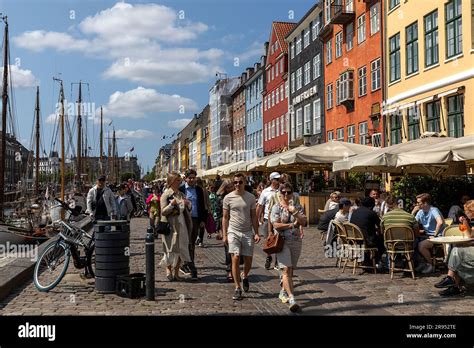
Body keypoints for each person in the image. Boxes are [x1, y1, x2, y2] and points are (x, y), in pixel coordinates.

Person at [222, 173, 261, 300]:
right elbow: (225, 217)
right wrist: (224, 234)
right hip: (233, 231)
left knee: (248, 260)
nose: (237, 184)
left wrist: (256, 232)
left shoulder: (250, 197)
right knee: (236, 257)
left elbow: (254, 216)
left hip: (247, 232)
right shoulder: (228, 198)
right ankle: (237, 288)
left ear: (244, 182)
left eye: (240, 182)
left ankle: (244, 275)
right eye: (235, 182)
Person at [270, 183, 307, 312]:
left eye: (289, 192)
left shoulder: (297, 207)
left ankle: (283, 291)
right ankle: (292, 299)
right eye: (284, 192)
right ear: (280, 193)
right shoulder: (276, 207)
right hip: (282, 241)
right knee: (286, 269)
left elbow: (304, 222)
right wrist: (291, 225)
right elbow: (276, 225)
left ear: (292, 193)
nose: (286, 194)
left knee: (291, 271)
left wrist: (294, 212)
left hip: (296, 241)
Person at [435, 200, 474, 296]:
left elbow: (469, 236)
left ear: (472, 211)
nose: (466, 213)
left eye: (467, 211)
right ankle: (454, 285)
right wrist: (464, 223)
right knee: (457, 249)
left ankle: (451, 280)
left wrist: (465, 222)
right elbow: (467, 234)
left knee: (457, 250)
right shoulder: (471, 222)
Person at [160, 172, 193, 281]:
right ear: (173, 181)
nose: (180, 182)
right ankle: (168, 269)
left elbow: (186, 208)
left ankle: (177, 272)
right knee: (170, 248)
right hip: (170, 226)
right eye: (178, 180)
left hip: (181, 224)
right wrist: (172, 204)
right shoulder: (166, 194)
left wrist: (189, 204)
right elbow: (163, 211)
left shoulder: (181, 194)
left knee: (181, 248)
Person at [179, 169, 208, 280]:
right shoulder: (181, 189)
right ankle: (186, 264)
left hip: (195, 219)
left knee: (191, 243)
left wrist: (202, 220)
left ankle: (191, 265)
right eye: (189, 177)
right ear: (185, 178)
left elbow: (202, 205)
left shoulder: (199, 190)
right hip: (184, 219)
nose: (191, 179)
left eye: (193, 177)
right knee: (184, 242)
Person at [411, 193, 445, 274]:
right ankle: (422, 263)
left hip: (438, 236)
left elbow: (439, 222)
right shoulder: (420, 212)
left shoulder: (433, 210)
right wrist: (413, 212)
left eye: (419, 203)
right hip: (427, 235)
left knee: (421, 246)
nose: (417, 204)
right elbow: (412, 222)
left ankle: (431, 265)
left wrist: (435, 235)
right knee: (413, 243)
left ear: (425, 203)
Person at [349, 196, 384, 266]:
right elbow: (380, 225)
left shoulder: (355, 212)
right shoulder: (371, 213)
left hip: (354, 240)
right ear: (372, 205)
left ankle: (367, 260)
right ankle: (375, 260)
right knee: (382, 241)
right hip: (367, 240)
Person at [256, 172, 281, 270]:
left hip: (278, 220)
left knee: (279, 241)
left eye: (279, 179)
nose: (278, 181)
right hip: (267, 219)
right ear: (271, 180)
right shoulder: (265, 192)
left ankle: (277, 261)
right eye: (276, 179)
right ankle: (269, 256)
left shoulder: (282, 191)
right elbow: (260, 205)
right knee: (269, 241)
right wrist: (256, 219)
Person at [216, 179, 237, 281]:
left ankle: (235, 269)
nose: (231, 189)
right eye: (228, 187)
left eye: (232, 186)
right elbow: (219, 214)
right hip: (225, 224)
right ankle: (229, 270)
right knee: (228, 249)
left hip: (236, 224)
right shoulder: (221, 198)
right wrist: (220, 230)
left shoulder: (237, 195)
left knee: (237, 250)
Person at [196, 177, 212, 245]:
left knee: (196, 225)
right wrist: (209, 209)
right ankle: (200, 241)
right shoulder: (204, 189)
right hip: (204, 210)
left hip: (197, 209)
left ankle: (197, 237)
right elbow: (208, 201)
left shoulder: (196, 190)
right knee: (202, 225)